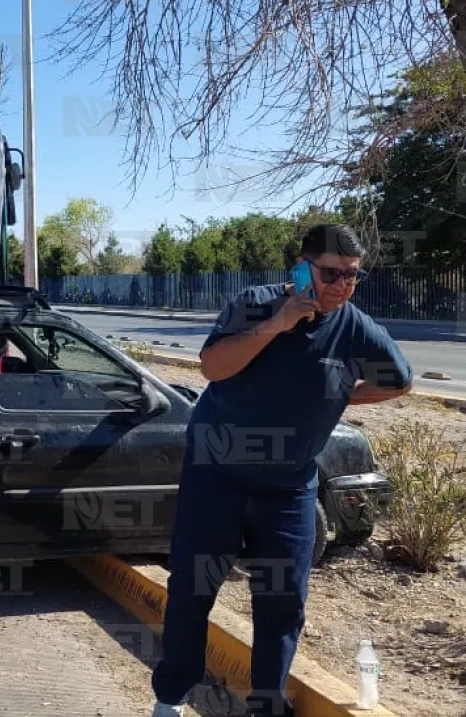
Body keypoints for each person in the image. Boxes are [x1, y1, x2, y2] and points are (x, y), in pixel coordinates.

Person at [150, 224, 414, 717]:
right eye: (331, 273)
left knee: (282, 602)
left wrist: (342, 395)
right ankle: (170, 699)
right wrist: (278, 322)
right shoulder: (255, 303)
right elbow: (212, 367)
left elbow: (400, 382)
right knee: (192, 587)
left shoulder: (354, 326)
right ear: (300, 266)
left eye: (353, 276)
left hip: (289, 489)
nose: (342, 286)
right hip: (217, 477)